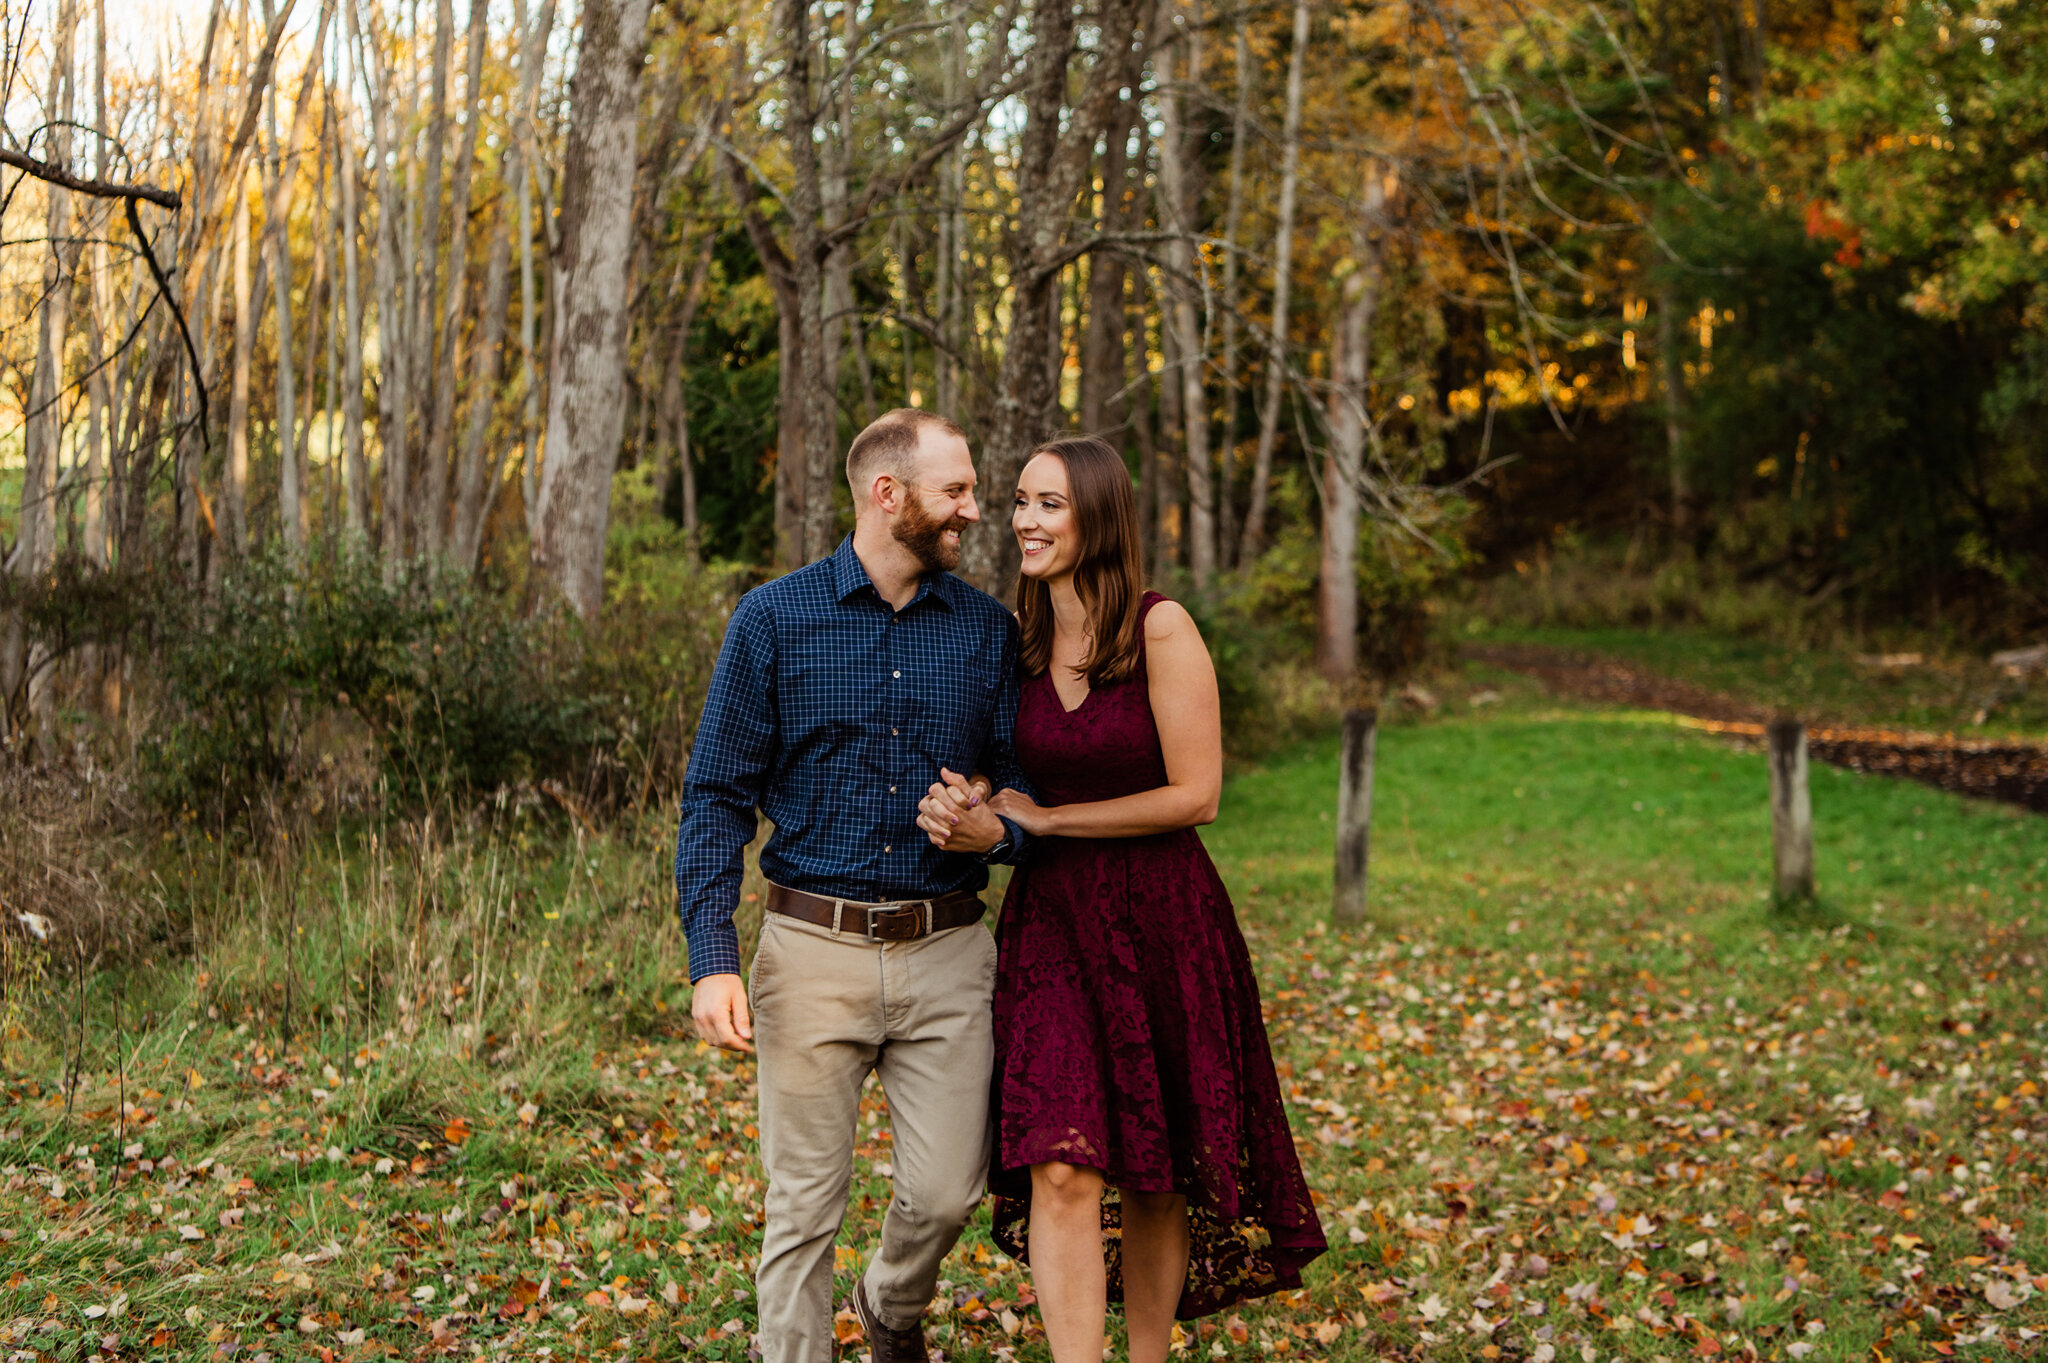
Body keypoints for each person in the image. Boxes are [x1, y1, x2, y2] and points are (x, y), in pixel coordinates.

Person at [919, 436, 1326, 1363]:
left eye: (1049, 504)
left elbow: (1199, 794)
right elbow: (1007, 768)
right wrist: (969, 802)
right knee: (1060, 1161)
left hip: (1162, 920)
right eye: (1020, 500)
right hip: (1053, 928)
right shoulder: (1018, 643)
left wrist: (1051, 823)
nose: (1024, 519)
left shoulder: (1160, 628)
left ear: (1098, 517)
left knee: (1153, 1169)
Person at [675, 408, 1035, 1363]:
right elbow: (715, 796)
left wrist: (992, 822)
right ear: (889, 494)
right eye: (954, 489)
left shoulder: (989, 632)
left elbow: (1025, 779)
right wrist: (713, 961)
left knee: (949, 1191)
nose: (973, 508)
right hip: (811, 948)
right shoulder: (773, 621)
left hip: (949, 946)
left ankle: (888, 1304)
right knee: (801, 1204)